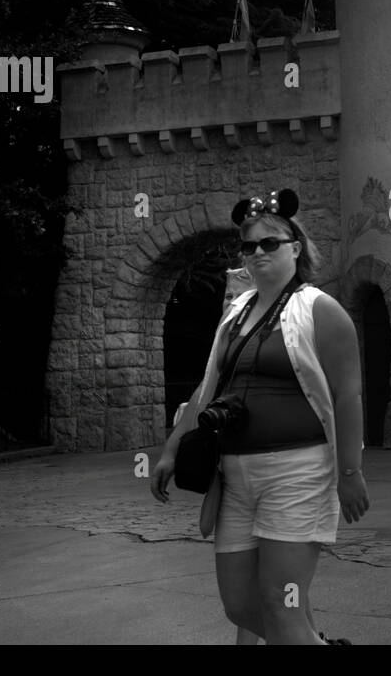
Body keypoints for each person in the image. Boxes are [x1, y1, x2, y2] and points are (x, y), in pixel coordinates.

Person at [150, 188, 370, 645]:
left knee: (280, 602)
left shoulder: (319, 309)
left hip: (298, 471)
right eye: (249, 245)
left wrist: (349, 470)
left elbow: (348, 396)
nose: (257, 252)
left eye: (270, 242)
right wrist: (172, 447)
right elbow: (208, 386)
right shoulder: (235, 314)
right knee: (240, 605)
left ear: (296, 248)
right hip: (234, 477)